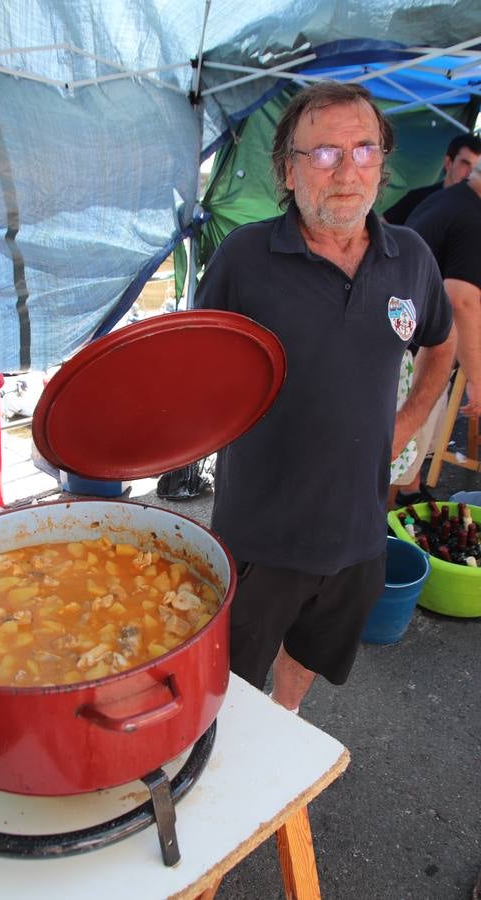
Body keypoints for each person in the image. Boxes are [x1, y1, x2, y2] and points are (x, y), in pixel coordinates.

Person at [194, 81, 456, 712]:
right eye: (325, 154)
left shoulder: (409, 257)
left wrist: (411, 419)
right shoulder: (246, 257)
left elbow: (441, 344)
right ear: (288, 169)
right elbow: (193, 368)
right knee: (224, 682)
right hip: (261, 533)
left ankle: (285, 732)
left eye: (364, 150)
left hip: (358, 531)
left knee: (307, 660)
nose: (348, 171)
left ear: (383, 165)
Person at [389, 157, 481, 506]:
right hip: (410, 350)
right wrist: (477, 379)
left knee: (406, 455)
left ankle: (403, 502)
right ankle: (383, 535)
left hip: (407, 339)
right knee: (396, 458)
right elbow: (462, 300)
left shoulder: (448, 198)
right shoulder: (473, 220)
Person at [382, 133, 481, 225]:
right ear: (448, 162)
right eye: (465, 163)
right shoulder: (418, 198)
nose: (471, 172)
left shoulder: (476, 212)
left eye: (477, 168)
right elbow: (381, 226)